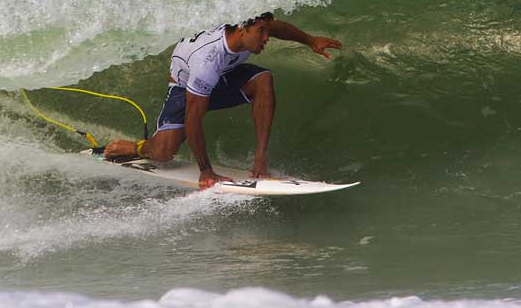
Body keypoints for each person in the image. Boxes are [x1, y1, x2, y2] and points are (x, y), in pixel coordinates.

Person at [103, 13, 342, 189]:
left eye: (266, 31)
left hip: (223, 76)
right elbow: (193, 119)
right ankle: (137, 147)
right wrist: (206, 171)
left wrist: (311, 41)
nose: (267, 38)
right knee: (164, 151)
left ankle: (261, 158)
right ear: (242, 29)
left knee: (263, 80)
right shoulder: (207, 60)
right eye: (262, 33)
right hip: (186, 85)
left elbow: (277, 27)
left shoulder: (252, 29)